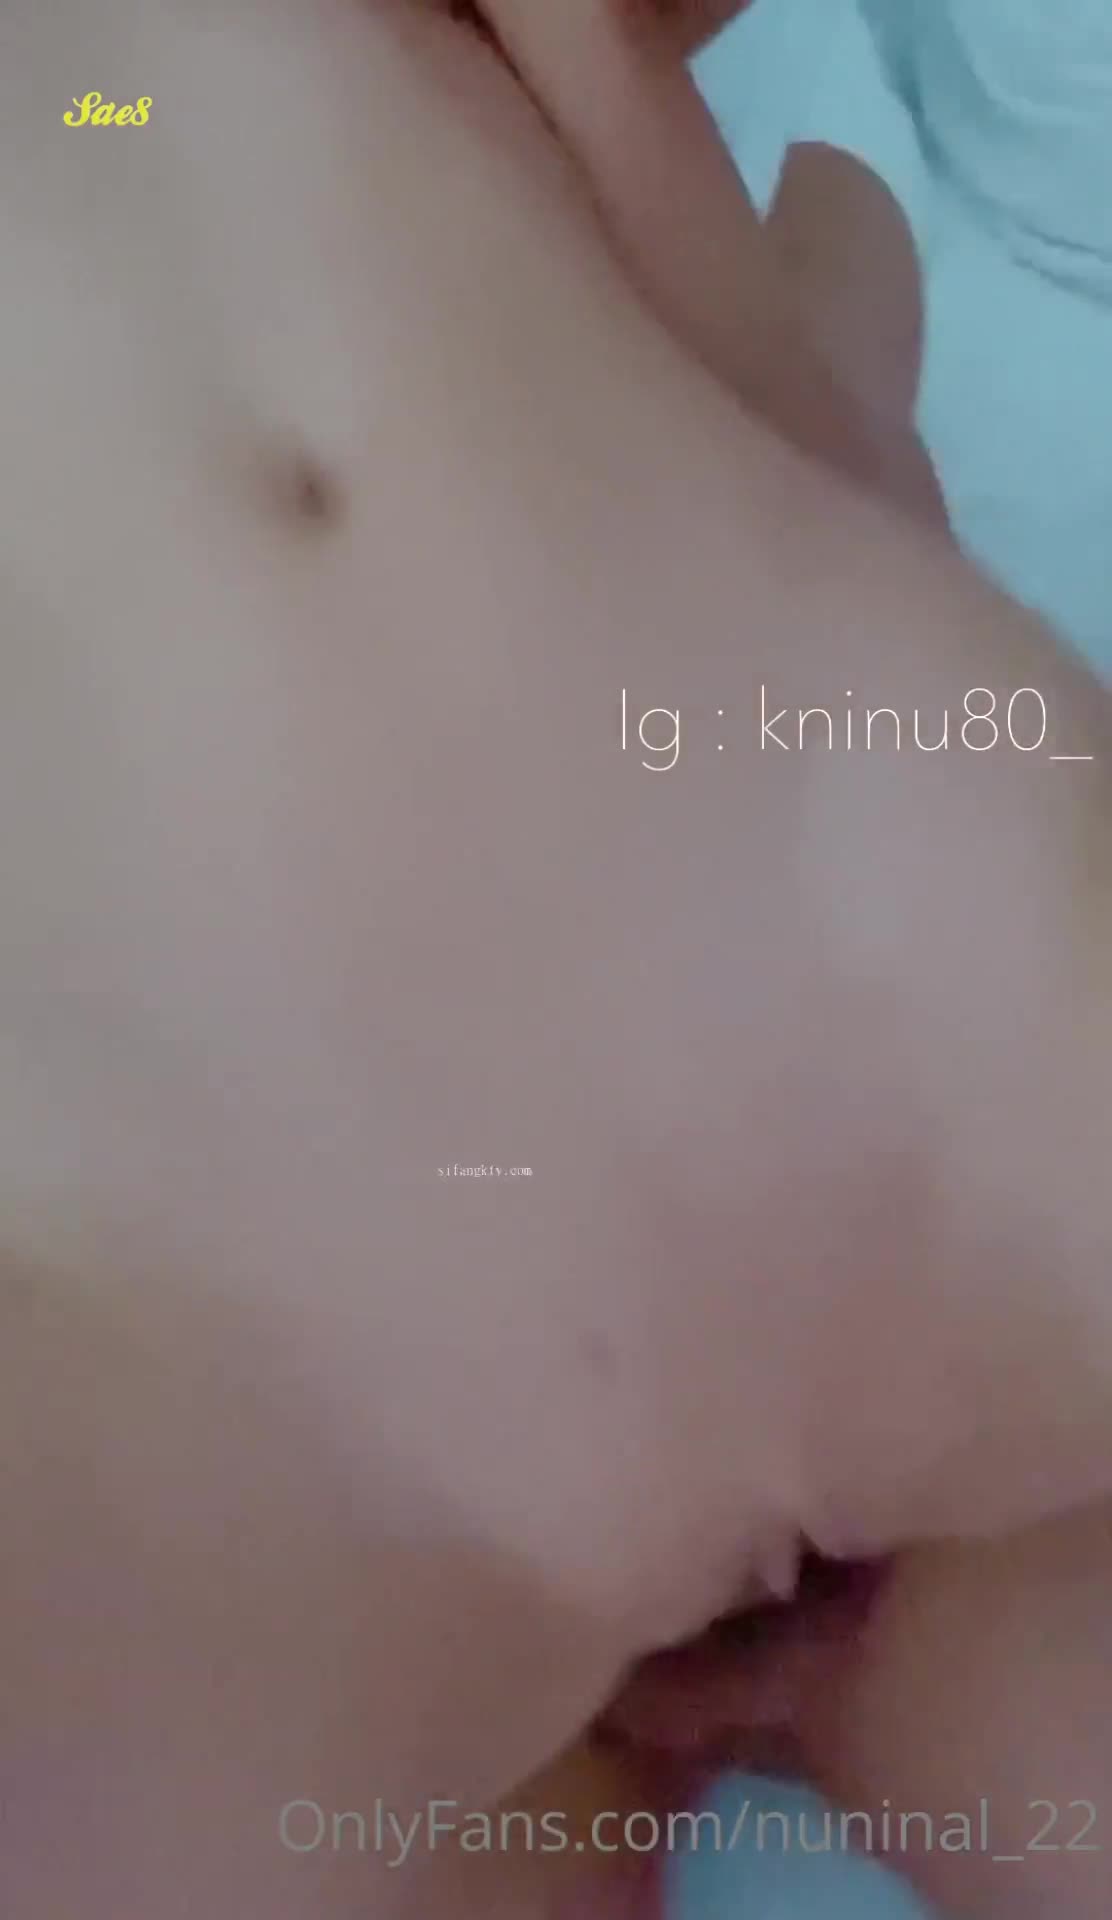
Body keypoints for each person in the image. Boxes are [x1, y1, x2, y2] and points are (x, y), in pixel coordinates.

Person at [1, 3, 1109, 1917]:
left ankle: (654, 1709)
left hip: (769, 984)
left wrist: (843, 427)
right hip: (307, 1301)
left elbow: (684, 172)